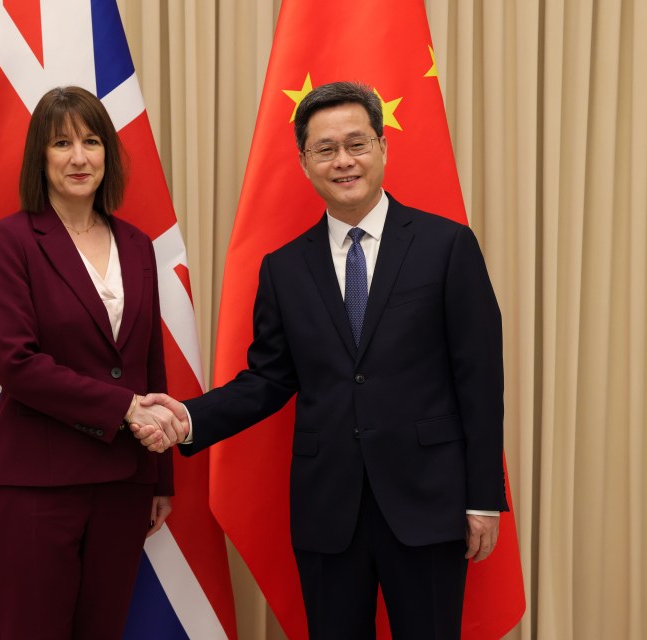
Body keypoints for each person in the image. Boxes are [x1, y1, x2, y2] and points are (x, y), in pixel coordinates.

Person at [134, 81, 507, 639]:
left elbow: (479, 378)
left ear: (383, 147)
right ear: (304, 161)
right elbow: (267, 380)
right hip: (329, 510)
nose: (343, 161)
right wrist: (187, 418)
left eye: (357, 144)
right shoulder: (284, 268)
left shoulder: (446, 246)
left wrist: (484, 498)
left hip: (429, 501)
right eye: (326, 149)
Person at [0, 86, 188, 640]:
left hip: (124, 482)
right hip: (35, 486)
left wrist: (160, 474)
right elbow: (16, 364)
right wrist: (125, 409)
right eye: (61, 143)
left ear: (107, 154)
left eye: (92, 141)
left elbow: (147, 361)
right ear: (39, 157)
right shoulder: (7, 243)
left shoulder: (138, 244)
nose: (78, 157)